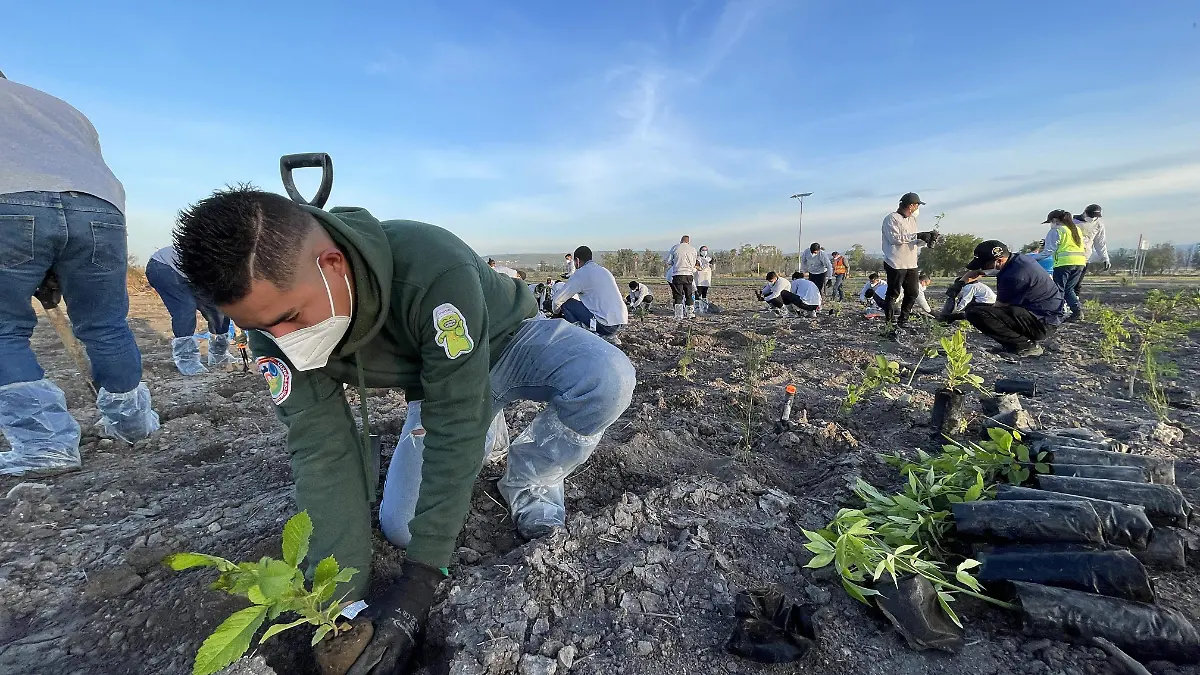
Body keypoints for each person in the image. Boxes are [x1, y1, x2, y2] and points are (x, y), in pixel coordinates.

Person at [174, 187, 636, 673]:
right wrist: (339, 606)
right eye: (267, 329)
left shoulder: (432, 266)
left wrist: (420, 582)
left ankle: (533, 478)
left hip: (509, 341)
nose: (283, 340)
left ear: (333, 265)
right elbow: (319, 450)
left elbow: (454, 423)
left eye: (291, 318)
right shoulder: (270, 327)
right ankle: (491, 428)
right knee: (401, 525)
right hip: (437, 382)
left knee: (605, 378)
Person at [0, 72, 160, 476]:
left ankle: (45, 445)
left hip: (7, 200)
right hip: (98, 206)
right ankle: (133, 424)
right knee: (106, 324)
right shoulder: (58, 107)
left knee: (3, 330)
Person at [963, 240, 1064, 357]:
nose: (981, 267)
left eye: (983, 264)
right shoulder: (1016, 260)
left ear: (998, 261)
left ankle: (1025, 346)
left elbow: (999, 307)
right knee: (976, 309)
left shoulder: (1014, 276)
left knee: (976, 314)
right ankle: (1014, 343)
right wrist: (960, 283)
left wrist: (960, 315)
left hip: (1042, 323)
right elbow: (978, 272)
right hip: (1043, 314)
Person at [145, 245, 235, 375]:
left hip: (189, 272)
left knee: (217, 310)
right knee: (186, 307)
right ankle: (187, 360)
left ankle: (219, 356)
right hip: (163, 266)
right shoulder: (218, 257)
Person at [881, 193, 939, 330]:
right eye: (917, 205)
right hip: (895, 263)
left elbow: (913, 241)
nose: (918, 208)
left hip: (911, 263)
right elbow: (894, 239)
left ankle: (903, 319)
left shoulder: (912, 220)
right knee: (893, 294)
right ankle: (890, 323)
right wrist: (917, 235)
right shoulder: (891, 219)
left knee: (913, 292)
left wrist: (925, 239)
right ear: (911, 205)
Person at [552, 246, 629, 343]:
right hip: (622, 322)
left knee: (567, 303)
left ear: (577, 260)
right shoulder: (604, 271)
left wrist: (556, 313)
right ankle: (609, 337)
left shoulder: (581, 273)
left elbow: (557, 300)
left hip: (605, 325)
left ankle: (581, 336)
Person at [1041, 209, 1087, 322]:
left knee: (1059, 289)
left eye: (1051, 221)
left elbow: (1048, 251)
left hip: (1064, 263)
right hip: (1080, 263)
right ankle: (1077, 311)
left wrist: (1029, 258)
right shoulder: (1076, 230)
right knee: (1069, 289)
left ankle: (1058, 313)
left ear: (1055, 220)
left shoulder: (1057, 231)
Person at [1072, 204, 1111, 294]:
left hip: (1084, 258)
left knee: (1077, 284)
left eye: (1095, 217)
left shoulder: (1098, 225)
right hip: (1068, 258)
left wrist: (1105, 258)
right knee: (1066, 285)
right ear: (1085, 213)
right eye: (1091, 216)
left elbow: (1100, 243)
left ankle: (1073, 305)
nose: (1093, 219)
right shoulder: (1072, 222)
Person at [665, 235, 698, 320]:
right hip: (689, 274)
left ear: (681, 241)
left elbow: (668, 260)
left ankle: (679, 315)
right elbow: (694, 262)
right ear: (688, 241)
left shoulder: (675, 248)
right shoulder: (693, 249)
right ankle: (690, 313)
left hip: (677, 274)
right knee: (689, 294)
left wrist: (675, 263)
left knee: (678, 295)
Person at [694, 245, 713, 313]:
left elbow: (712, 266)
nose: (704, 251)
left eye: (706, 250)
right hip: (699, 278)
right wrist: (701, 267)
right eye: (703, 250)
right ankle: (697, 308)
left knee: (704, 293)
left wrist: (713, 263)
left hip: (706, 277)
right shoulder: (698, 259)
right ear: (700, 251)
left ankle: (705, 308)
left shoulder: (709, 258)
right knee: (698, 293)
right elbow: (696, 266)